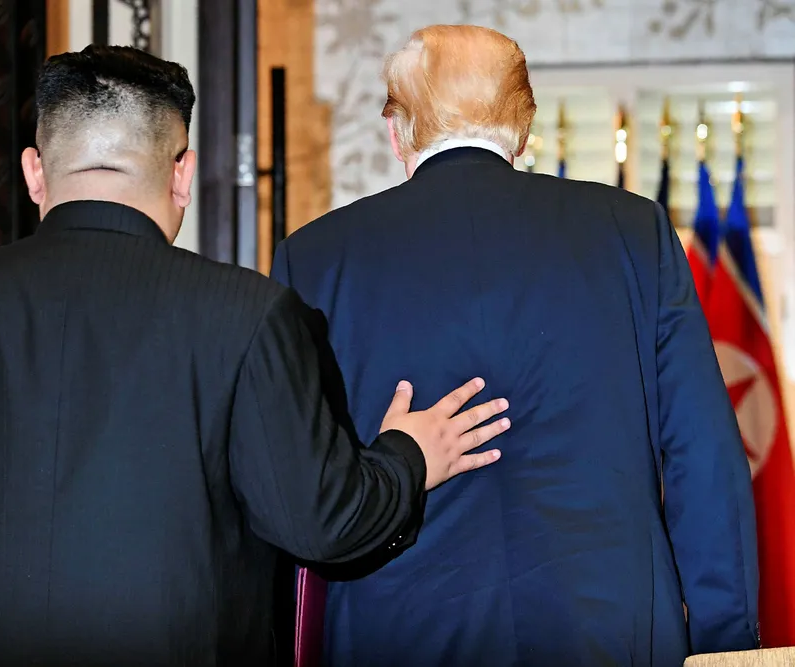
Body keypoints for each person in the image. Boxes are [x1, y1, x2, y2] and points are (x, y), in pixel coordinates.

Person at [0, 45, 510, 667]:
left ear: (35, 173)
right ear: (183, 174)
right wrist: (409, 455)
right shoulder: (248, 314)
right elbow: (320, 522)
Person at [273, 24, 759, 667]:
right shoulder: (633, 232)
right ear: (523, 130)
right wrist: (725, 640)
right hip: (610, 629)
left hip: (397, 630)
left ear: (396, 132)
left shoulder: (315, 257)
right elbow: (703, 453)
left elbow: (297, 484)